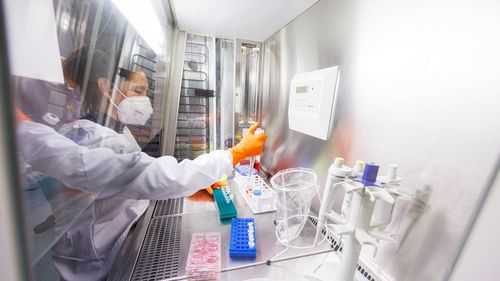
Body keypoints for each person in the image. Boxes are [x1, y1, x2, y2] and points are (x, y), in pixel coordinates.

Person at [15, 47, 268, 281]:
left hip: (117, 244)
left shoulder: (113, 131)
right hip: (93, 264)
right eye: (137, 91)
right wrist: (234, 154)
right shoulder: (88, 137)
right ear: (106, 87)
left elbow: (131, 183)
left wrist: (189, 189)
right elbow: (144, 174)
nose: (144, 100)